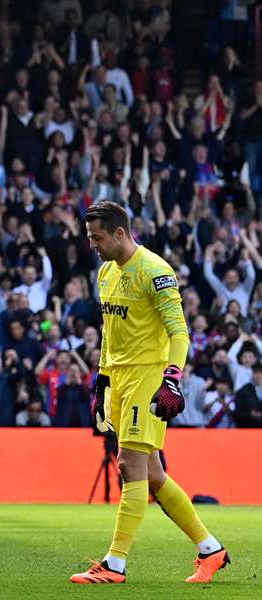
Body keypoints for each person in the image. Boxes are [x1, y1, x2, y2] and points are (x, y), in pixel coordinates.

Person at [71, 202, 228, 585]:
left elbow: (179, 332)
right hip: (120, 378)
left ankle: (115, 564)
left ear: (120, 233)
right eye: (90, 237)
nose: (93, 245)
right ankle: (211, 549)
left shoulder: (156, 271)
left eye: (98, 237)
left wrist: (172, 378)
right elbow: (110, 333)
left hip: (148, 378)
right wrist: (102, 381)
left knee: (128, 465)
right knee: (153, 475)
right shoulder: (107, 273)